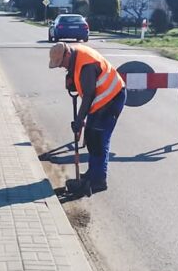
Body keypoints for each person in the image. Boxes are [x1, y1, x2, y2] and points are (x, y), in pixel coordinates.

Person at [48, 41, 125, 194]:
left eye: (61, 63)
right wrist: (72, 79)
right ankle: (92, 174)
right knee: (90, 137)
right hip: (100, 101)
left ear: (67, 55)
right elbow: (85, 86)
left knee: (98, 140)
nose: (61, 66)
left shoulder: (86, 65)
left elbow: (89, 95)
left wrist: (79, 120)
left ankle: (98, 181)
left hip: (112, 98)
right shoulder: (75, 56)